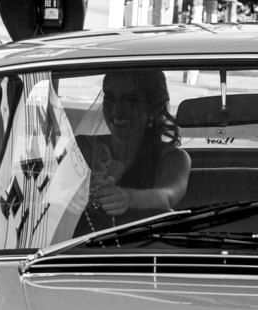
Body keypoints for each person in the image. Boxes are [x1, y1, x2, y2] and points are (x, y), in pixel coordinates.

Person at [73, 69, 191, 236]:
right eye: (110, 97)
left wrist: (128, 198)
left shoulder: (174, 158)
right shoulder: (83, 147)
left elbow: (167, 196)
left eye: (131, 100)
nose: (117, 109)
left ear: (153, 107)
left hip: (140, 252)